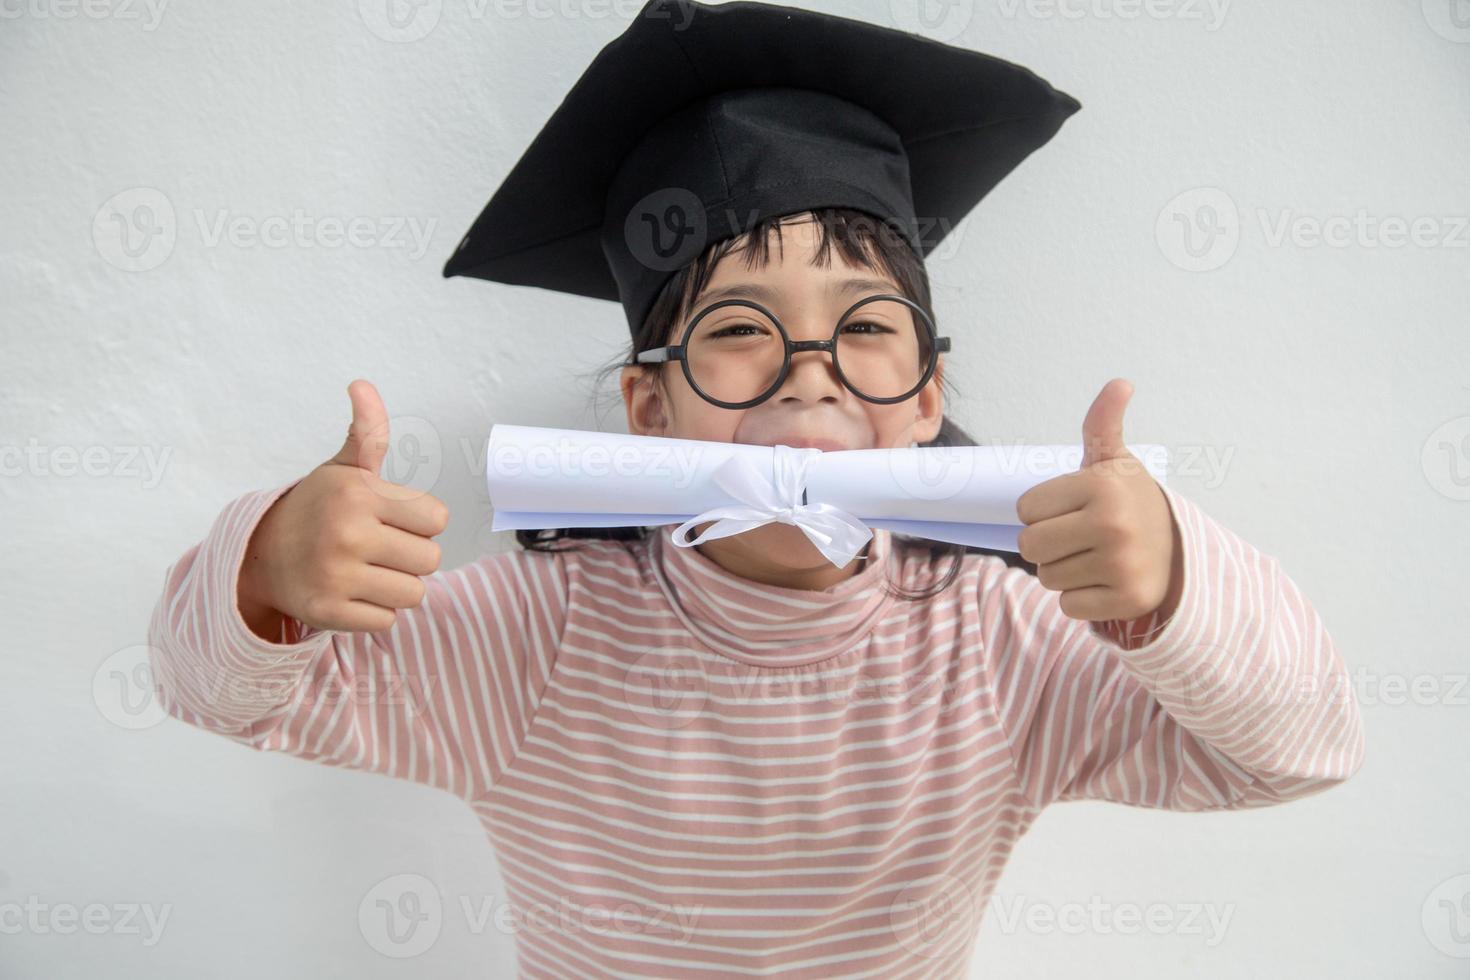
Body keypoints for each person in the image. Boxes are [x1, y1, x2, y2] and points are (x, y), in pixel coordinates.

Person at [146, 2, 1365, 976]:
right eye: (740, 329)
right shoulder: (537, 634)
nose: (812, 376)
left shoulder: (999, 645)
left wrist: (1175, 584)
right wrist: (265, 571)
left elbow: (1300, 750)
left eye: (868, 326)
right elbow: (226, 697)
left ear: (930, 398)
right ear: (647, 405)